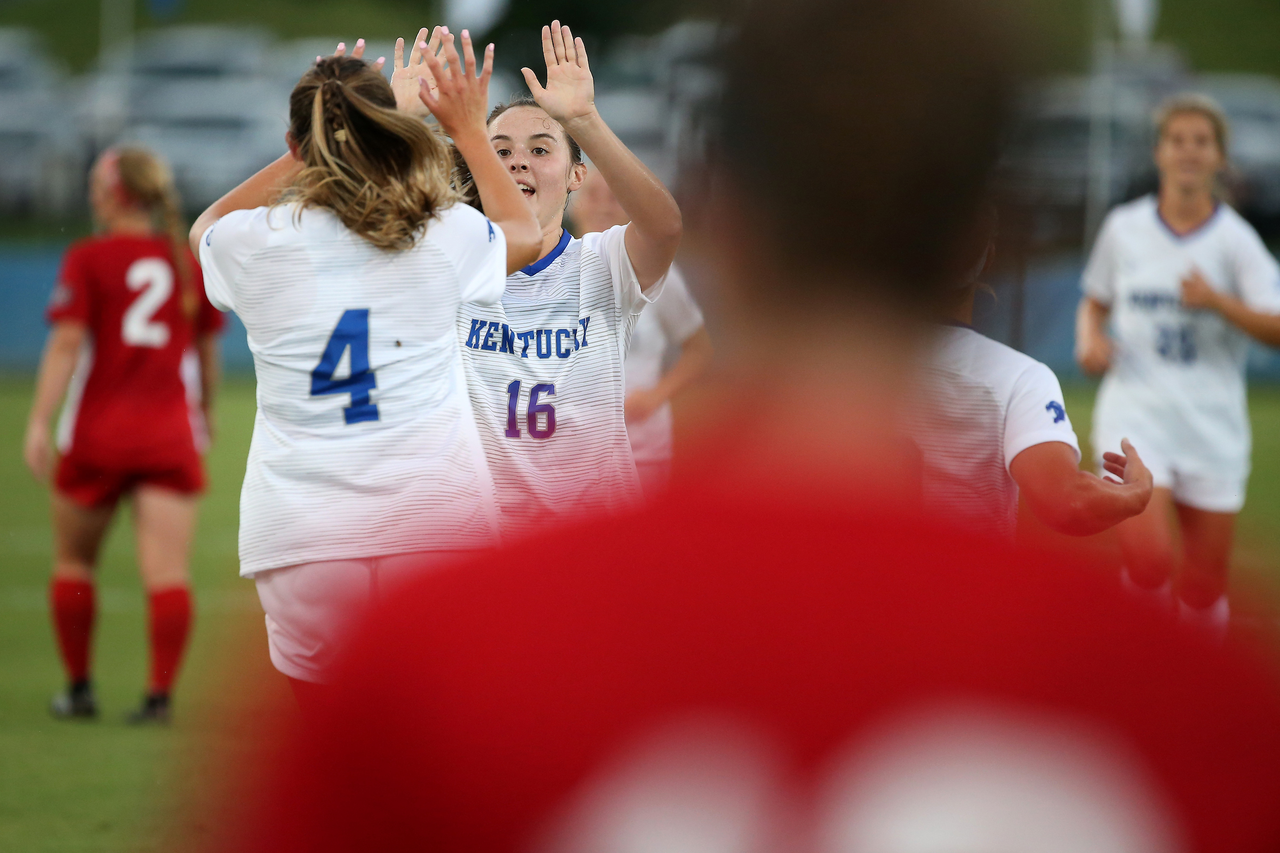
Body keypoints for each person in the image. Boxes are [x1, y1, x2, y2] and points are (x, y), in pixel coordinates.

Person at [218, 4, 1280, 852]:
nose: (525, 158)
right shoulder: (1196, 707)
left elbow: (569, 230)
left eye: (539, 145)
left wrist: (381, 131)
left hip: (557, 553)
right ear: (998, 227)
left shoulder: (447, 645)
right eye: (508, 145)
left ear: (730, 225)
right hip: (492, 527)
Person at [190, 31, 540, 691]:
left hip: (302, 530)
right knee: (440, 758)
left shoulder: (256, 244)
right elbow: (523, 232)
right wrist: (465, 129)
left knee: (343, 766)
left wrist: (315, 146)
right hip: (438, 523)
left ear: (298, 147)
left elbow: (203, 226)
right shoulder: (441, 232)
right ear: (388, 134)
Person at [458, 21, 683, 536]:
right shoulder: (452, 270)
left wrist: (583, 119)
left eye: (540, 149)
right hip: (483, 540)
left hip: (597, 533)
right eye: (500, 152)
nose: (518, 162)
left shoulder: (600, 262)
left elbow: (665, 227)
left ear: (576, 175)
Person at [24, 146, 224, 724]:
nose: (90, 193)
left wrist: (38, 420)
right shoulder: (185, 261)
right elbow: (207, 354)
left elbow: (65, 345)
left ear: (116, 193)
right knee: (167, 573)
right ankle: (158, 697)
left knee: (74, 565)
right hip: (167, 436)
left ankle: (80, 689)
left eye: (95, 183)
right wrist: (206, 412)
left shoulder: (89, 258)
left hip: (97, 436)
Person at [1076, 93, 1280, 633]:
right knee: (1148, 562)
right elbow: (1093, 300)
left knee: (1204, 584)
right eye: (1177, 140)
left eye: (1201, 141)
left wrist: (1219, 302)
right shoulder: (1123, 228)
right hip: (1135, 416)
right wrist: (1089, 338)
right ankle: (1138, 688)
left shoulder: (1237, 242)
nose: (1188, 151)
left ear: (1220, 157)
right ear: (1159, 152)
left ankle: (1196, 703)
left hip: (1212, 426)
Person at [913, 210, 1153, 538]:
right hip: (966, 585)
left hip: (851, 583)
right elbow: (1066, 502)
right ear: (988, 260)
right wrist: (1135, 493)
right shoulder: (1019, 378)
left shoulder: (835, 363)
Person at [571, 165, 713, 497]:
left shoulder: (659, 275)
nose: (604, 206)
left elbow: (699, 350)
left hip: (642, 451)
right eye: (593, 195)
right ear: (574, 202)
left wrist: (653, 397)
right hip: (574, 456)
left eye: (616, 197)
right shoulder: (549, 273)